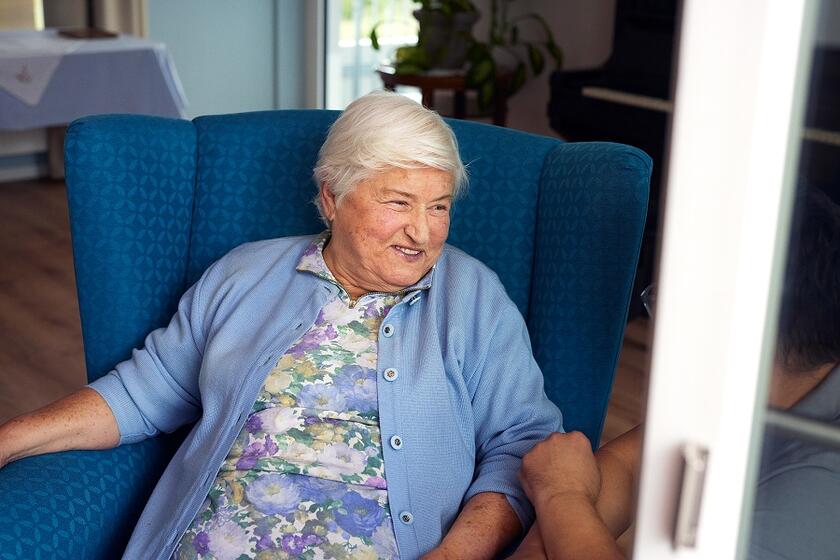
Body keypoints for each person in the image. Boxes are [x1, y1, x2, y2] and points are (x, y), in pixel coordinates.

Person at [0, 91, 562, 560]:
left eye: (438, 207)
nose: (423, 232)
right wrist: (10, 437)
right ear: (332, 198)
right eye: (399, 203)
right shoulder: (246, 272)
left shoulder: (474, 298)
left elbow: (522, 444)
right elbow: (145, 392)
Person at [512, 187, 840, 560]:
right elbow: (629, 468)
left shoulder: (818, 493)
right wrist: (563, 516)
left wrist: (562, 496)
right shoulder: (747, 393)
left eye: (674, 300)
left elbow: (573, 489)